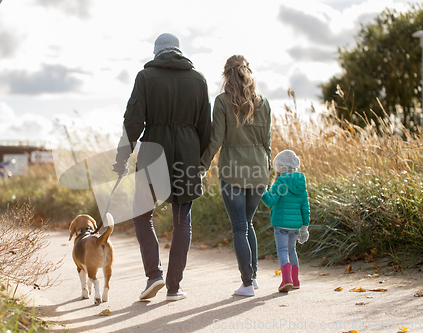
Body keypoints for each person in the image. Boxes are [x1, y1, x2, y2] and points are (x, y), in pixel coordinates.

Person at [113, 33, 211, 301]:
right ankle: (174, 287)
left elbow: (133, 121)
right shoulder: (199, 79)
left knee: (142, 215)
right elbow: (206, 128)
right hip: (188, 156)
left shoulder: (145, 77)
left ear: (156, 52)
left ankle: (153, 275)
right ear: (179, 50)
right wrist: (200, 162)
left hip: (153, 153)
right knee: (182, 222)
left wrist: (122, 158)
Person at [200, 55, 271, 297]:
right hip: (259, 170)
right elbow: (267, 143)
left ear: (226, 75)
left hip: (233, 170)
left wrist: (202, 165)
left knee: (240, 226)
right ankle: (253, 278)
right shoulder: (264, 103)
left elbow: (216, 139)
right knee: (247, 223)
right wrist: (267, 169)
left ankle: (247, 283)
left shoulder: (222, 102)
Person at [261, 149, 310, 292]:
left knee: (282, 251)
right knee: (292, 250)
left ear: (279, 168)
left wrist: (262, 191)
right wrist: (304, 228)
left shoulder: (280, 183)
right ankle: (295, 280)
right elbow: (305, 207)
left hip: (281, 224)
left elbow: (270, 202)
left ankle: (286, 280)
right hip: (296, 225)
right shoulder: (301, 184)